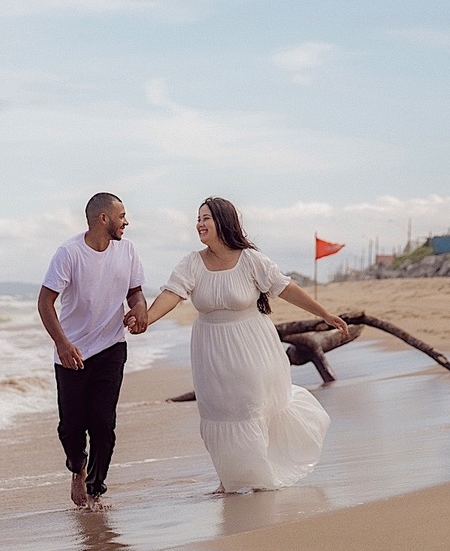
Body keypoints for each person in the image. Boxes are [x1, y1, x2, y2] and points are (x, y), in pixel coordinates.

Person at [139, 196, 348, 494]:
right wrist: (146, 319)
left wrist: (324, 313)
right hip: (210, 347)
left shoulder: (251, 260)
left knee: (250, 406)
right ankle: (229, 479)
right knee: (219, 412)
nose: (199, 224)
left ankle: (260, 475)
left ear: (223, 221)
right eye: (198, 218)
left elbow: (286, 288)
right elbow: (172, 294)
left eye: (205, 218)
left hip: (251, 344)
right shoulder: (191, 263)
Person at [38, 193, 148, 511]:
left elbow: (135, 292)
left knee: (103, 423)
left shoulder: (127, 251)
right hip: (72, 352)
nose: (126, 221)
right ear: (103, 219)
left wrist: (138, 309)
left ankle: (95, 490)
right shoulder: (69, 253)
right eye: (122, 215)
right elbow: (45, 302)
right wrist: (61, 343)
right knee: (71, 427)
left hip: (112, 346)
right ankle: (77, 468)